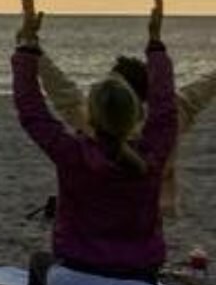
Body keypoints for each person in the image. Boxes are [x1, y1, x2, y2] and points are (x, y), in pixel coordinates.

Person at [13, 0, 215, 285]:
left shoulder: (73, 152)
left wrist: (28, 46)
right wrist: (156, 41)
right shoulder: (155, 151)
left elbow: (32, 110)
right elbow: (167, 107)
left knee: (38, 264)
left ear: (93, 116)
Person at [37, 37, 214, 222]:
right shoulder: (168, 117)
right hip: (156, 212)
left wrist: (32, 51)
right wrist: (156, 48)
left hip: (103, 215)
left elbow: (62, 93)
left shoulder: (97, 119)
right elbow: (202, 89)